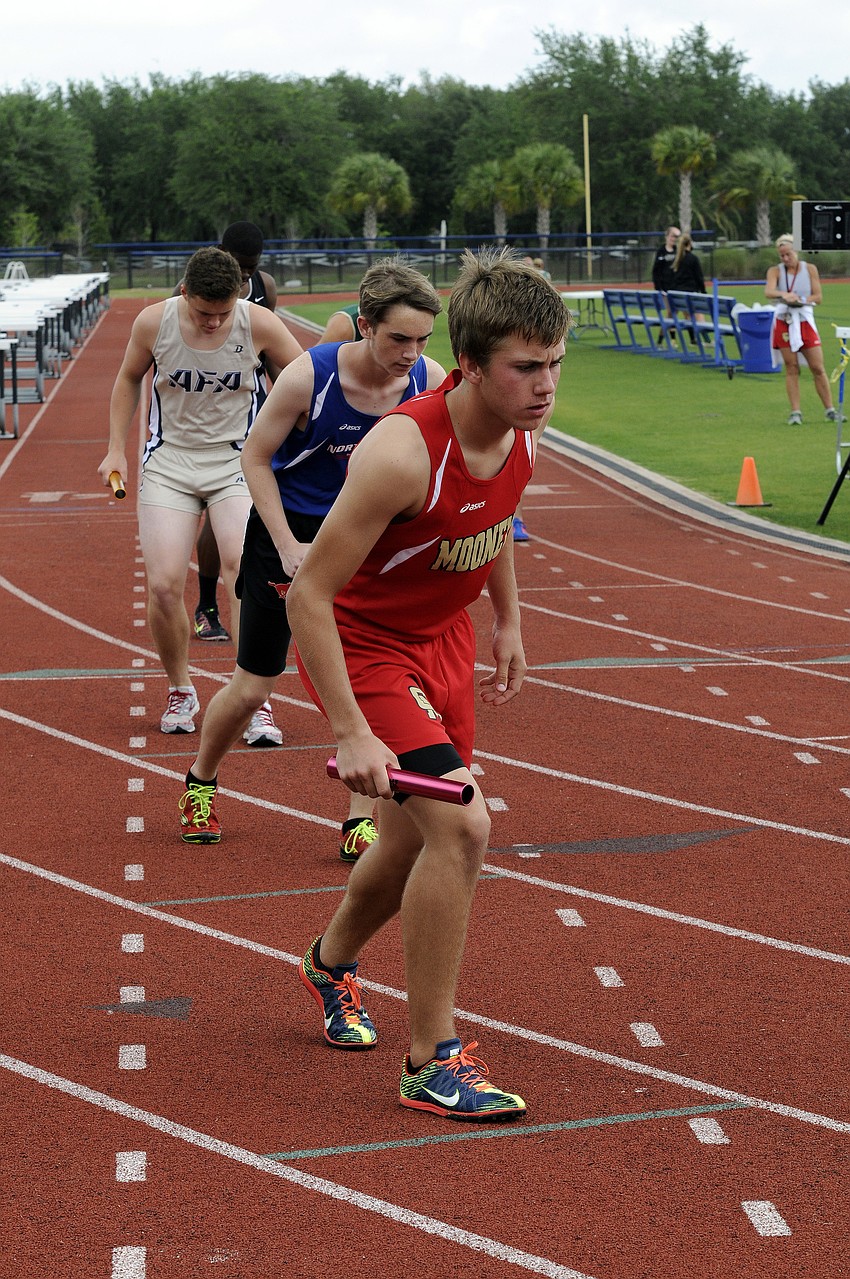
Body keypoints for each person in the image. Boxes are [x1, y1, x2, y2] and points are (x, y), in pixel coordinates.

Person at [286, 247, 568, 1120]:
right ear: (473, 365)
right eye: (527, 367)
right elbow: (310, 595)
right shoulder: (402, 453)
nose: (547, 384)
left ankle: (330, 961)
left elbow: (499, 520)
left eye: (556, 363)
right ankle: (432, 1057)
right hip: (367, 647)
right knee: (465, 828)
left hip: (441, 647)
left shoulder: (524, 426)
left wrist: (508, 619)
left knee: (410, 839)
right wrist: (348, 729)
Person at [177, 258, 446, 861]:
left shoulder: (428, 379)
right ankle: (200, 780)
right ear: (364, 326)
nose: (411, 352)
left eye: (423, 339)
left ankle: (360, 818)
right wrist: (288, 543)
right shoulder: (309, 377)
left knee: (366, 682)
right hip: (290, 533)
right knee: (254, 684)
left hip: (369, 539)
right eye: (399, 338)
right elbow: (254, 459)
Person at [98, 246, 302, 735]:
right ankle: (180, 689)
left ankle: (250, 695)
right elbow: (128, 378)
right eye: (204, 313)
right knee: (166, 583)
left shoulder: (260, 326)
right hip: (169, 462)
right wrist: (114, 450)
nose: (214, 323)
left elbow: (306, 382)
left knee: (241, 570)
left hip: (238, 461)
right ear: (184, 292)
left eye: (223, 313)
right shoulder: (154, 323)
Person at [190, 222, 285, 747]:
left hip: (241, 426)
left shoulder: (264, 290)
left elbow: (273, 356)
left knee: (237, 541)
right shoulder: (199, 287)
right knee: (210, 523)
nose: (246, 277)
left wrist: (280, 408)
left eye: (250, 270)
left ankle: (251, 681)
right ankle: (206, 604)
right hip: (196, 420)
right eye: (240, 268)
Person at [766, 233, 842, 427]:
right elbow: (769, 291)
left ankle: (830, 409)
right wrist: (785, 295)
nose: (785, 259)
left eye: (788, 254)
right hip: (785, 320)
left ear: (796, 251)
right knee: (791, 368)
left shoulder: (810, 269)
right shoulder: (775, 271)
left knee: (818, 367)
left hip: (804, 319)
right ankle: (795, 412)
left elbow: (818, 296)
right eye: (782, 255)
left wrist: (801, 300)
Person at [652, 225, 681, 293]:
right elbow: (656, 271)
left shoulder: (679, 251)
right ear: (666, 236)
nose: (673, 239)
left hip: (677, 287)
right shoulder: (661, 252)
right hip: (664, 287)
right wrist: (658, 287)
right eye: (672, 236)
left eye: (676, 237)